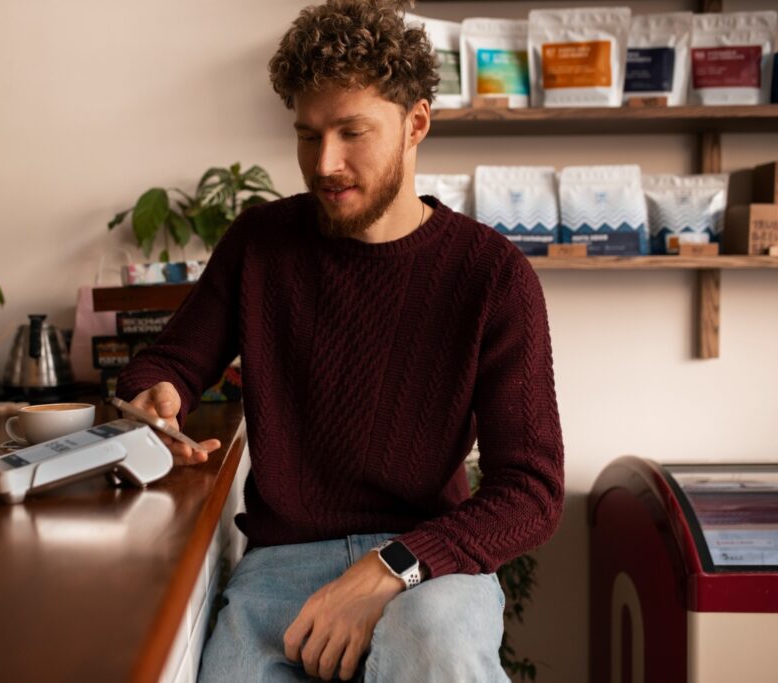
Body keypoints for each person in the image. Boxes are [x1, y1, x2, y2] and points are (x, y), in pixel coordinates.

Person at [115, 1, 565, 680]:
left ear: (417, 123)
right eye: (307, 135)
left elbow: (530, 490)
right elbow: (170, 360)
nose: (325, 163)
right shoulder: (260, 244)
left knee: (434, 641)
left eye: (352, 132)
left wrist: (389, 567)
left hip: (424, 565)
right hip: (280, 571)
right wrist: (160, 393)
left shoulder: (492, 275)